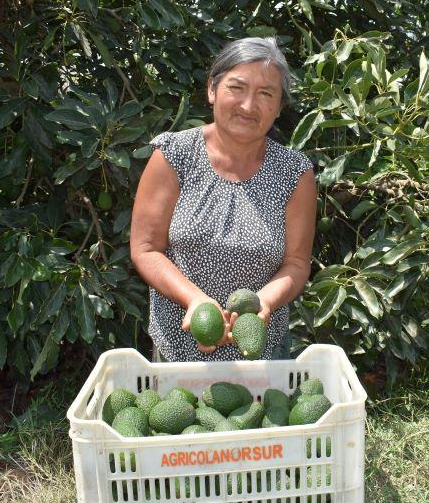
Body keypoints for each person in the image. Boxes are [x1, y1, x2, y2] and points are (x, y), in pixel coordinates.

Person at [130, 37, 316, 362]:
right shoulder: (175, 155)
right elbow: (146, 249)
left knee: (261, 412)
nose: (248, 106)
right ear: (213, 89)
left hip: (261, 349)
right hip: (178, 346)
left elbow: (297, 264)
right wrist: (194, 301)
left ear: (279, 107)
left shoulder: (294, 172)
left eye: (265, 94)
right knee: (173, 415)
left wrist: (263, 304)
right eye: (237, 88)